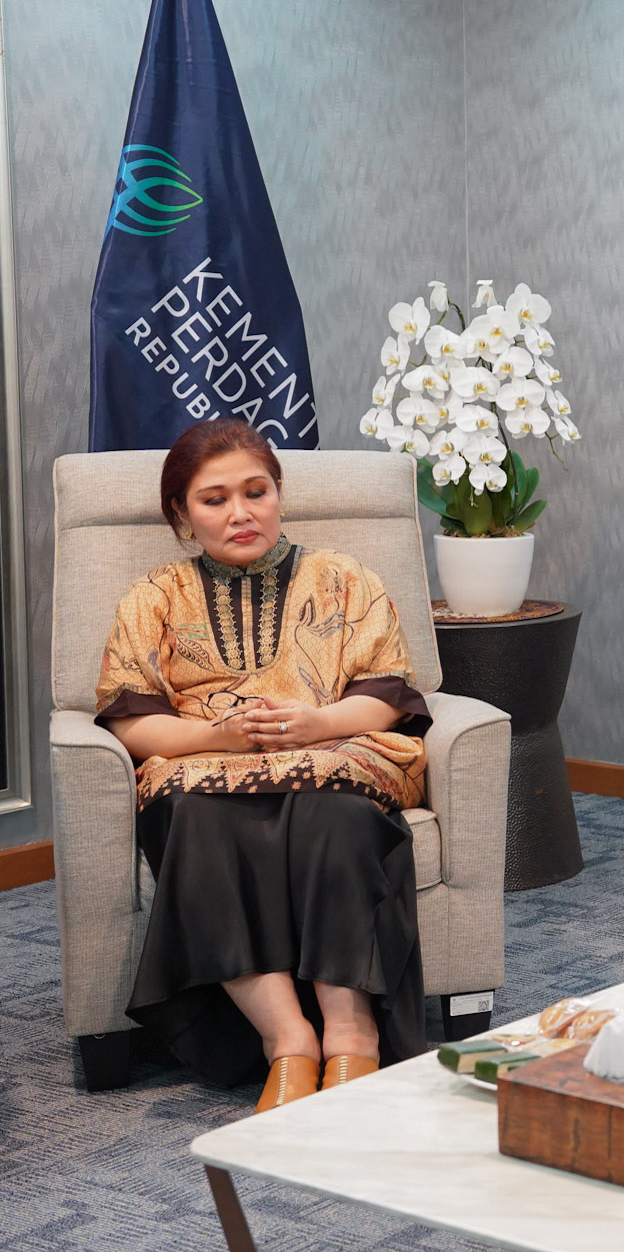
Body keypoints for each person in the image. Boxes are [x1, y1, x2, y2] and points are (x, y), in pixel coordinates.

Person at [97, 420, 433, 1114]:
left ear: (278, 494)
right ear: (182, 514)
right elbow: (130, 720)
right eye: (214, 499)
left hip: (330, 754)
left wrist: (317, 724)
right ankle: (289, 1041)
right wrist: (214, 735)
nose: (240, 512)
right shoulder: (154, 597)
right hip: (205, 767)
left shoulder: (345, 580)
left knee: (337, 814)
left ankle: (353, 1035)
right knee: (195, 819)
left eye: (256, 492)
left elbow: (387, 693)